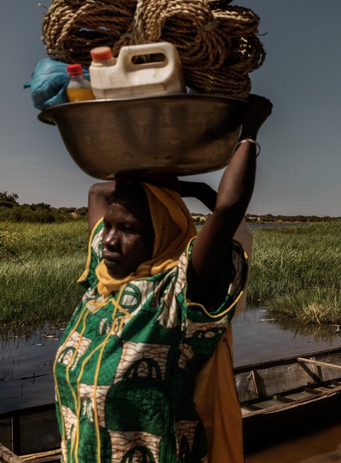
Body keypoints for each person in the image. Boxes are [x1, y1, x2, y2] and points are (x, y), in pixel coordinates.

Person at [53, 95, 272, 463]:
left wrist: (248, 131)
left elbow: (230, 208)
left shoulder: (176, 293)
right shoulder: (102, 277)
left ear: (161, 233)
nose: (108, 238)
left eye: (128, 229)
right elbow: (98, 191)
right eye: (109, 226)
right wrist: (176, 186)